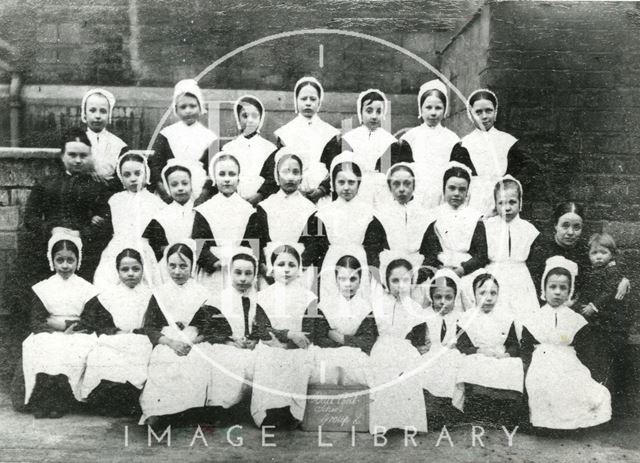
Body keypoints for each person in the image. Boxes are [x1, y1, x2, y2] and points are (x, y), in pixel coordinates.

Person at [139, 241, 231, 426]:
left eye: (183, 266)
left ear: (192, 265)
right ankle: (158, 412)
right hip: (168, 340)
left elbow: (216, 327)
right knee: (163, 360)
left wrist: (194, 342)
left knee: (195, 362)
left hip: (195, 340)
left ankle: (187, 412)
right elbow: (149, 326)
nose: (177, 271)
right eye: (172, 266)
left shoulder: (202, 293)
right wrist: (171, 343)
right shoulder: (160, 293)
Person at [521, 256, 611, 430]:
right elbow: (526, 347)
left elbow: (585, 350)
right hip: (542, 361)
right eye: (552, 287)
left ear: (569, 291)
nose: (557, 292)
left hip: (569, 362)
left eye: (563, 288)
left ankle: (570, 424)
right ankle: (545, 425)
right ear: (544, 289)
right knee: (543, 384)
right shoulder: (533, 319)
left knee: (576, 385)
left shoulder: (575, 320)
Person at [18, 233, 99, 418]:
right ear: (52, 261)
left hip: (78, 332)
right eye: (59, 260)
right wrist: (54, 329)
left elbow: (90, 320)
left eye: (70, 260)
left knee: (72, 347)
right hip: (48, 331)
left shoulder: (87, 289)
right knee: (41, 344)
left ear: (78, 261)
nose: (65, 265)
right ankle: (43, 400)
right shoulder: (43, 288)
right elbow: (36, 320)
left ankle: (60, 401)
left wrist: (65, 326)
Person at [23, 127, 111, 283]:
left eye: (83, 155)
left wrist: (82, 233)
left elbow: (107, 223)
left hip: (86, 252)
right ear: (62, 156)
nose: (78, 160)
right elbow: (30, 218)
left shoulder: (98, 187)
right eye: (72, 155)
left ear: (90, 156)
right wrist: (51, 229)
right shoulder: (45, 184)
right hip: (48, 249)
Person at [78, 248, 153, 416]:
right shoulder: (108, 295)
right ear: (117, 271)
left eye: (136, 269)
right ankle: (107, 400)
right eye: (124, 270)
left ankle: (128, 399)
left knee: (138, 354)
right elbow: (99, 323)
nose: (130, 274)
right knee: (101, 355)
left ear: (143, 269)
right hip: (114, 338)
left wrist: (136, 331)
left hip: (142, 339)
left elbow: (154, 324)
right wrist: (115, 331)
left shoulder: (150, 295)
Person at [250, 244, 317, 429]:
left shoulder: (309, 297)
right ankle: (267, 413)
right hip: (270, 345)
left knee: (297, 360)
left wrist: (290, 343)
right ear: (273, 267)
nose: (286, 269)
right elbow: (263, 330)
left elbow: (309, 332)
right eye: (281, 264)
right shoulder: (263, 296)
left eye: (291, 264)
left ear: (298, 268)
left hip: (298, 347)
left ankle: (291, 413)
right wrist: (289, 334)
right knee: (268, 357)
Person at [301, 152, 389, 282]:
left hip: (360, 268)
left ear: (359, 183)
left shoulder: (370, 215)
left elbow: (376, 251)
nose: (346, 187)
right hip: (330, 268)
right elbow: (311, 251)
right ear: (333, 183)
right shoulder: (321, 215)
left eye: (351, 182)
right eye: (341, 182)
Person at [368, 250, 428, 434]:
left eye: (405, 281)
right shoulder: (378, 305)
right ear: (387, 282)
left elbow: (418, 339)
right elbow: (370, 332)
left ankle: (408, 422)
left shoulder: (416, 307)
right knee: (383, 365)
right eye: (395, 281)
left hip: (406, 347)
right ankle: (384, 423)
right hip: (383, 344)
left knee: (408, 367)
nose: (400, 286)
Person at [454, 273, 524, 425]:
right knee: (474, 363)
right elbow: (463, 345)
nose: (489, 298)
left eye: (493, 293)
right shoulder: (466, 318)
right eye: (483, 293)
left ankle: (503, 410)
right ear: (474, 295)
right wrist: (479, 351)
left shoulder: (505, 317)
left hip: (499, 355)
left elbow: (514, 344)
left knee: (514, 364)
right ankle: (479, 409)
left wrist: (507, 354)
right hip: (478, 354)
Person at [256, 76, 341, 203]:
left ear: (319, 102)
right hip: (292, 191)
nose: (308, 103)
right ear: (296, 101)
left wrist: (322, 190)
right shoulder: (286, 132)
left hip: (322, 195)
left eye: (313, 99)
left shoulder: (328, 132)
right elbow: (277, 167)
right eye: (303, 99)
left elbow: (335, 166)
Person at [528, 202, 630, 304]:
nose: (571, 232)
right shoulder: (541, 249)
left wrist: (623, 279)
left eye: (576, 227)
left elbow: (612, 262)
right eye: (565, 226)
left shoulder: (587, 250)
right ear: (555, 225)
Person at [419, 162, 488, 310]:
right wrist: (436, 269)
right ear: (444, 189)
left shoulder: (475, 217)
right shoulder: (434, 216)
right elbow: (430, 252)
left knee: (472, 293)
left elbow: (481, 255)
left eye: (461, 189)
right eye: (452, 188)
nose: (456, 193)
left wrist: (461, 270)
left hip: (468, 270)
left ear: (467, 192)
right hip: (441, 268)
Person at [93, 152, 166, 290]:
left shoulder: (155, 203)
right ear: (121, 177)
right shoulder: (115, 200)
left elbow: (159, 235)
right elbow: (108, 226)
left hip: (143, 249)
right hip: (117, 247)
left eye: (138, 174)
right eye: (127, 175)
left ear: (146, 173)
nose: (133, 179)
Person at [450, 89, 527, 217]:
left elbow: (521, 177)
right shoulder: (462, 146)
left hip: (503, 205)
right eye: (478, 112)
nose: (484, 116)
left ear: (495, 112)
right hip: (473, 207)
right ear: (470, 114)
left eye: (488, 111)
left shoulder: (509, 142)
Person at [244, 148, 317, 279]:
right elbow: (254, 240)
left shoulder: (310, 209)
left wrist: (300, 267)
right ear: (277, 176)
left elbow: (315, 244)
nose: (290, 177)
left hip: (300, 272)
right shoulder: (265, 207)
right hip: (269, 270)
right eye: (285, 172)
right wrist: (263, 267)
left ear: (301, 176)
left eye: (295, 172)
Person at [309, 253, 377, 386]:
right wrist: (348, 343)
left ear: (360, 279)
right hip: (329, 353)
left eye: (353, 279)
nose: (348, 285)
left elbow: (367, 341)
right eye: (342, 279)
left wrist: (340, 338)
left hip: (356, 355)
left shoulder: (365, 308)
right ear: (336, 279)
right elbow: (319, 338)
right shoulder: (325, 305)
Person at [578, 233, 628, 414]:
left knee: (604, 364)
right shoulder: (595, 271)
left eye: (603, 253)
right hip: (597, 325)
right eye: (594, 253)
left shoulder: (612, 272)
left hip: (609, 324)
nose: (598, 257)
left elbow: (608, 292)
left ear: (612, 255)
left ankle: (605, 405)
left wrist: (594, 306)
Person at [484, 176, 539, 332]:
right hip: (495, 273)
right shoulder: (488, 226)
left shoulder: (528, 229)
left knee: (522, 313)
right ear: (495, 204)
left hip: (520, 277)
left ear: (520, 203)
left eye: (512, 202)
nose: (507, 208)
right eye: (501, 203)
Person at [195, 152, 254, 297]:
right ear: (214, 178)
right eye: (222, 174)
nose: (227, 179)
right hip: (214, 271)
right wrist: (214, 262)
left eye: (232, 174)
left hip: (240, 270)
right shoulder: (204, 209)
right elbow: (199, 243)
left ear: (238, 178)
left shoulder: (248, 210)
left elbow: (253, 242)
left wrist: (241, 264)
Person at [341, 89, 412, 205]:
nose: (374, 116)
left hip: (382, 191)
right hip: (356, 190)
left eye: (378, 112)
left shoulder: (390, 141)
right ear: (360, 112)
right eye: (369, 111)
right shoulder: (349, 138)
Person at [149, 79, 214, 202]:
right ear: (176, 110)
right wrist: (164, 192)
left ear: (200, 107)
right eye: (183, 107)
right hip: (170, 190)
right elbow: (156, 165)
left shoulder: (209, 137)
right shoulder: (166, 134)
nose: (188, 110)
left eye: (193, 106)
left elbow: (213, 169)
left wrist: (203, 196)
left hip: (199, 191)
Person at [400, 79, 460, 208]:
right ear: (420, 109)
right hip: (416, 198)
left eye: (438, 108)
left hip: (443, 199)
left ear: (445, 109)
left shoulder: (452, 139)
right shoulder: (410, 138)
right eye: (428, 107)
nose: (433, 112)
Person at [142, 160, 212, 268]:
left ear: (191, 184)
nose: (180, 188)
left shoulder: (201, 211)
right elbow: (155, 245)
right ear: (168, 188)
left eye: (185, 183)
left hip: (197, 265)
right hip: (169, 266)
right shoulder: (161, 215)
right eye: (174, 185)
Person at [418, 269, 464, 427]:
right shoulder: (424, 315)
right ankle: (431, 409)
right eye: (438, 297)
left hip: (452, 355)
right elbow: (417, 341)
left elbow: (464, 342)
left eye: (448, 297)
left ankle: (448, 409)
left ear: (455, 297)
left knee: (452, 363)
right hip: (430, 355)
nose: (443, 302)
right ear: (431, 297)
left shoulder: (461, 317)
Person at [221, 94, 277, 205]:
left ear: (260, 118)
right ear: (238, 118)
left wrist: (260, 195)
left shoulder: (270, 148)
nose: (250, 120)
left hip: (262, 201)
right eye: (245, 116)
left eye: (254, 116)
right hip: (234, 202)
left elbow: (272, 178)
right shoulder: (228, 148)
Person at [81, 88, 128, 183]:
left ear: (109, 115)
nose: (97, 116)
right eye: (92, 110)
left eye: (103, 111)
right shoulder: (77, 141)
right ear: (85, 114)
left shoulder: (118, 145)